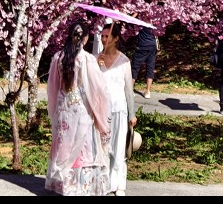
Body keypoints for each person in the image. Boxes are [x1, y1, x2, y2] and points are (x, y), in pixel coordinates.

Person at [45, 19, 112, 196]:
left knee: (64, 146)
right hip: (81, 112)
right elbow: (99, 90)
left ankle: (63, 185)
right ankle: (80, 187)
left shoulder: (58, 57)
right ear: (86, 38)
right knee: (83, 149)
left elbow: (52, 88)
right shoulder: (87, 59)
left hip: (63, 110)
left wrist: (54, 111)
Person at [98, 21, 136, 196]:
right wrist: (97, 67)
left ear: (116, 38)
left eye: (107, 36)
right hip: (101, 111)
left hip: (120, 110)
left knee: (119, 148)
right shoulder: (97, 59)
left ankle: (119, 184)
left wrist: (132, 114)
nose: (104, 39)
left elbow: (129, 90)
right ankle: (104, 183)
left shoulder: (124, 62)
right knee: (103, 149)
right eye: (102, 36)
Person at [130, 25, 158, 99]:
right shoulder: (155, 19)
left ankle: (130, 90)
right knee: (150, 67)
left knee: (135, 67)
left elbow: (131, 25)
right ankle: (148, 91)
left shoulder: (141, 19)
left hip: (142, 45)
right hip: (152, 45)